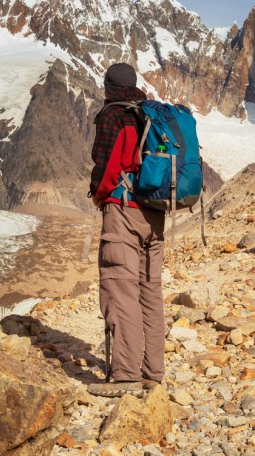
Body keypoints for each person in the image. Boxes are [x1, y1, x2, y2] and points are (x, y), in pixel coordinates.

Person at [87, 62, 165, 397]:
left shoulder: (113, 115)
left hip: (123, 211)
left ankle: (126, 376)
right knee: (150, 292)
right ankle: (153, 373)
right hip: (155, 216)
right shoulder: (149, 114)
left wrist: (98, 196)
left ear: (108, 87)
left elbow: (104, 165)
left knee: (121, 290)